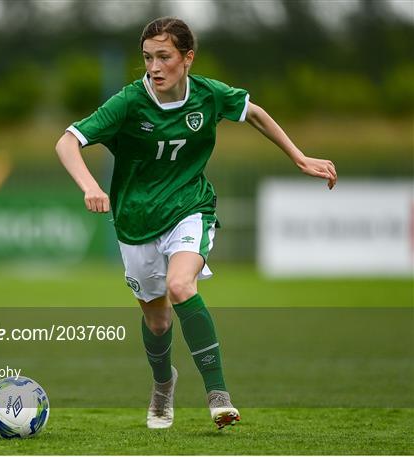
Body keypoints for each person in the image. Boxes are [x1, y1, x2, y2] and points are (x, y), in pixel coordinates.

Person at [56, 17, 337, 430]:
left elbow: (254, 113)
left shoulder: (208, 94)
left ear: (187, 58)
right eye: (148, 58)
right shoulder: (129, 102)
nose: (154, 67)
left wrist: (299, 157)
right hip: (135, 220)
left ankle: (218, 396)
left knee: (181, 285)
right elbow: (67, 142)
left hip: (190, 207)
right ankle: (163, 384)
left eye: (164, 57)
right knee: (157, 320)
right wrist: (89, 186)